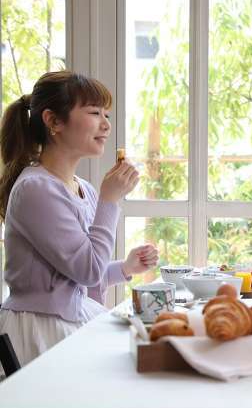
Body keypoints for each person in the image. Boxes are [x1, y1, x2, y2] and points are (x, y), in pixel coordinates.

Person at [0, 71, 159, 367]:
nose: (106, 124)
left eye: (107, 114)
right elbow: (87, 270)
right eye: (94, 112)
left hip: (67, 318)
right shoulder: (35, 188)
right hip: (39, 329)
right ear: (54, 121)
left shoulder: (81, 188)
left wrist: (125, 267)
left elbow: (77, 276)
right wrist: (110, 200)